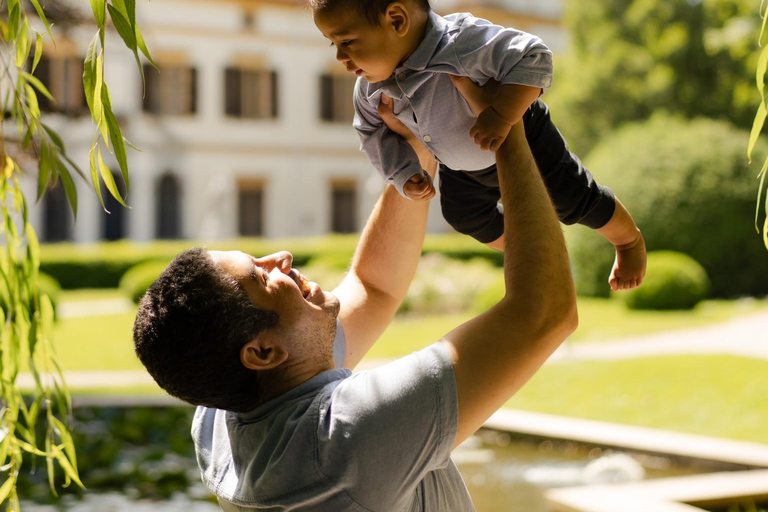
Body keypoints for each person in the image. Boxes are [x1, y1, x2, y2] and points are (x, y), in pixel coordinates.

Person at [132, 78, 577, 511]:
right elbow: (542, 314)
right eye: (262, 278)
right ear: (263, 351)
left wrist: (416, 152)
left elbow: (373, 286)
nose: (281, 257)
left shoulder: (222, 414)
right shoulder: (343, 440)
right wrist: (506, 125)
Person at [311, 0, 647, 291]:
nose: (341, 56)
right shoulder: (369, 88)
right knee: (464, 215)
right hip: (460, 165)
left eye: (348, 42)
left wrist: (502, 115)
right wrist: (402, 171)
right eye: (333, 45)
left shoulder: (462, 41)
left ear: (397, 20)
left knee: (573, 199)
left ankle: (628, 240)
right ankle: (533, 253)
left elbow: (535, 57)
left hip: (523, 138)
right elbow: (371, 132)